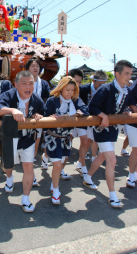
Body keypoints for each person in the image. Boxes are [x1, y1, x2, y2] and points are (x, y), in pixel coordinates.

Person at [83, 60, 136, 208]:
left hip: (113, 129)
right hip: (101, 129)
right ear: (117, 74)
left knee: (102, 156)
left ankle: (87, 177)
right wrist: (103, 115)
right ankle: (113, 196)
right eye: (126, 73)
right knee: (111, 160)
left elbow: (125, 105)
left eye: (131, 74)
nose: (129, 76)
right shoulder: (105, 88)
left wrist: (127, 111)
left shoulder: (127, 90)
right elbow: (92, 107)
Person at [0, 71, 44, 213]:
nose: (28, 87)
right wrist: (12, 110)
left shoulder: (36, 99)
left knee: (29, 167)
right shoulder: (8, 95)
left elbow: (43, 111)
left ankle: (26, 198)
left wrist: (38, 115)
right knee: (9, 165)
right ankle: (9, 178)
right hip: (11, 137)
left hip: (28, 138)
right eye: (24, 83)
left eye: (31, 83)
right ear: (16, 85)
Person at [44, 76, 89, 205]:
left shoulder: (75, 100)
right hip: (53, 136)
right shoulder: (52, 100)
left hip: (66, 138)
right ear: (61, 88)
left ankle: (54, 183)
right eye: (67, 89)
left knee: (62, 162)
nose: (70, 93)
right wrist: (50, 117)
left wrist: (75, 115)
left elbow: (85, 109)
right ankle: (56, 191)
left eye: (72, 90)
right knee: (57, 165)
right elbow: (45, 114)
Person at [75, 70, 108, 175]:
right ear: (93, 80)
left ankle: (80, 163)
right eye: (99, 84)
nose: (102, 87)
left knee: (87, 141)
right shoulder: (83, 89)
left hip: (93, 119)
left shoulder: (105, 91)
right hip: (79, 118)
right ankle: (47, 156)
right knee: (69, 138)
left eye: (104, 84)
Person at [26, 57, 50, 181]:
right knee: (24, 146)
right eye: (33, 66)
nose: (36, 68)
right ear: (27, 69)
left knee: (35, 144)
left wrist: (41, 113)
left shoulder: (44, 84)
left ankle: (32, 175)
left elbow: (47, 100)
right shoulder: (23, 82)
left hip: (38, 118)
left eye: (37, 66)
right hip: (25, 118)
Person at [124, 79, 137, 187]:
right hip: (134, 121)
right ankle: (131, 175)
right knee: (136, 149)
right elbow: (130, 96)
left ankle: (136, 174)